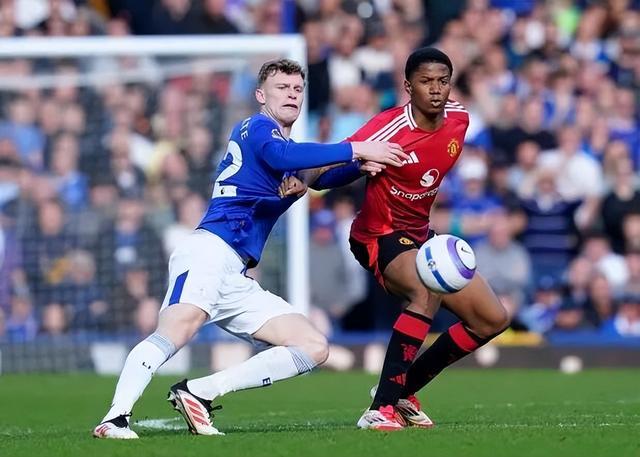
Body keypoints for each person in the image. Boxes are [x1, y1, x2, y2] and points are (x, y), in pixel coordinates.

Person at [92, 58, 406, 439]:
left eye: (297, 89)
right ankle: (115, 418)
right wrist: (357, 147)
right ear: (260, 95)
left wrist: (364, 162)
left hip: (236, 273)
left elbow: (321, 177)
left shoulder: (287, 149)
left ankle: (200, 392)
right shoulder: (256, 127)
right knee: (176, 330)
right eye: (281, 88)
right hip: (209, 252)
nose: (291, 95)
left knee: (312, 346)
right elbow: (286, 159)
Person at [294, 48, 510, 430]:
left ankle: (402, 391)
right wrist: (357, 165)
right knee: (426, 292)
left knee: (491, 319)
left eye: (443, 81)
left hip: (422, 236)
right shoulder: (388, 128)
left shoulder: (459, 119)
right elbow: (324, 175)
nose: (436, 89)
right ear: (408, 87)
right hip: (378, 236)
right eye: (426, 82)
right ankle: (380, 408)